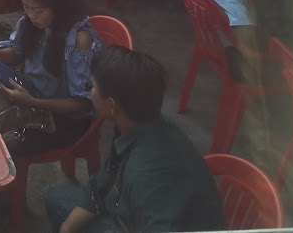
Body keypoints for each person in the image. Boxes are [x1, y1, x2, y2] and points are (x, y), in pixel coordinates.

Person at [0, 0, 101, 231]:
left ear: (59, 4)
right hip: (32, 94)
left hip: (66, 119)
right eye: (26, 6)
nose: (31, 15)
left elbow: (84, 105)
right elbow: (17, 53)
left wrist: (32, 103)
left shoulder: (79, 39)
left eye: (38, 9)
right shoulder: (31, 23)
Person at [45, 46, 225, 233]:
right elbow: (102, 183)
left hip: (138, 223)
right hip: (127, 210)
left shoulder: (145, 174)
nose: (90, 91)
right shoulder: (137, 125)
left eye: (92, 87)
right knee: (56, 198)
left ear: (112, 105)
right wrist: (67, 228)